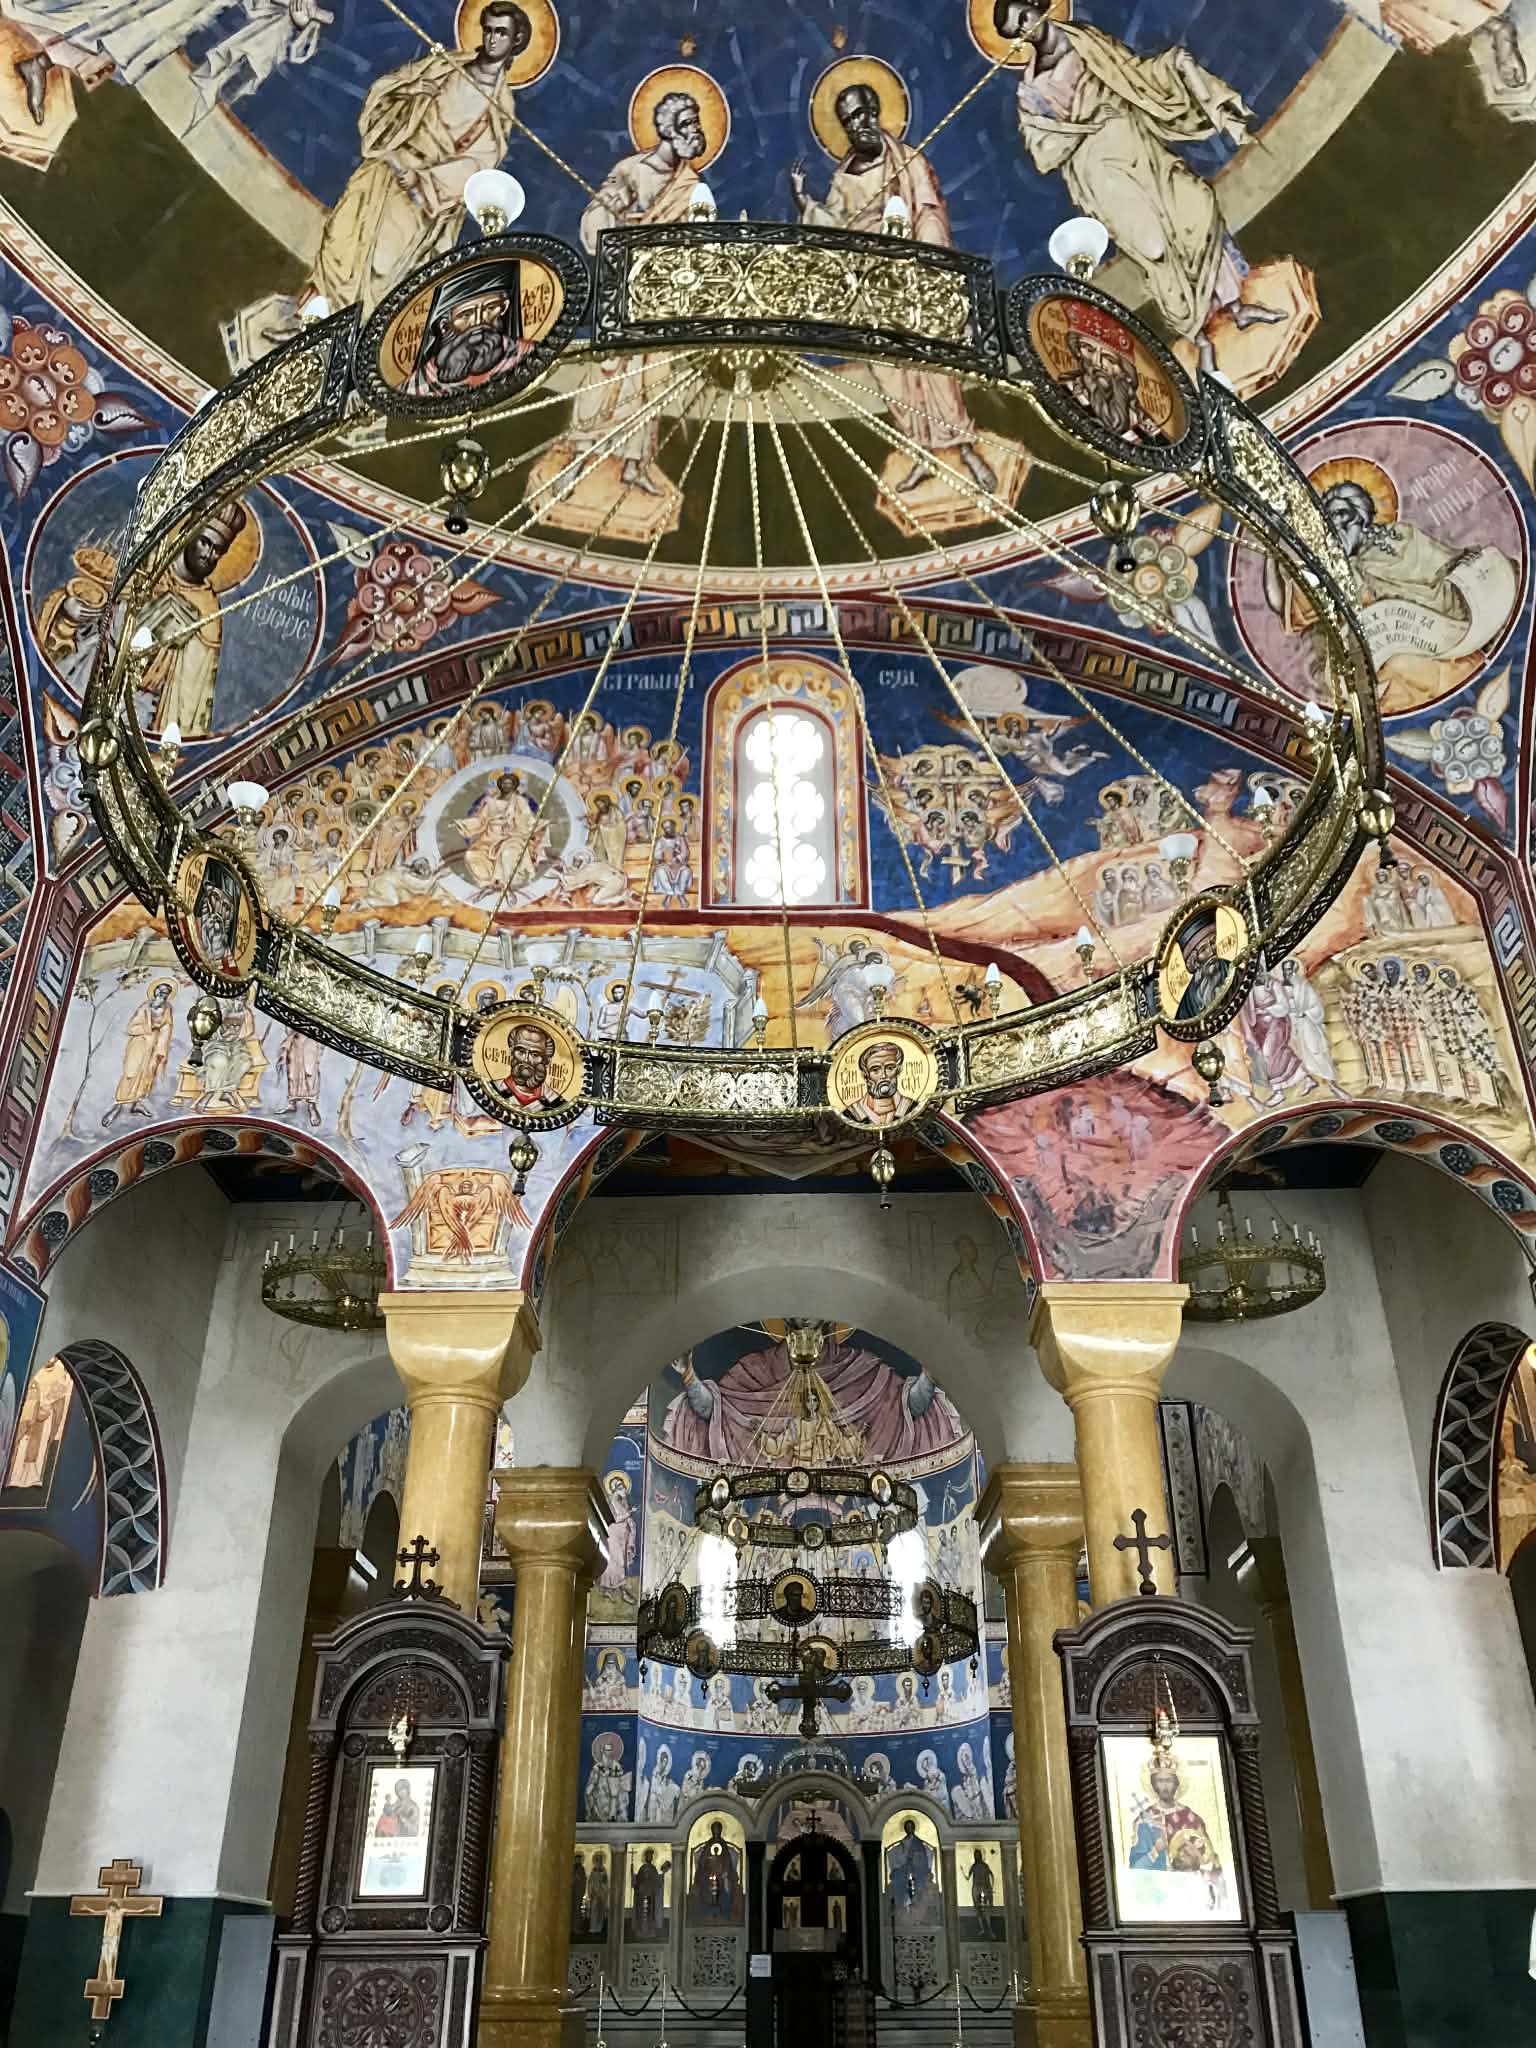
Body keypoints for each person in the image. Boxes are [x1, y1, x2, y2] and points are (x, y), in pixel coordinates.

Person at [992, 0, 1282, 373]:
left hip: (1140, 147)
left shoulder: (1087, 39)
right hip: (1100, 173)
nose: (1026, 29)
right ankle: (1200, 338)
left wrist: (1172, 65)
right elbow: (1042, 150)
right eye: (1016, 30)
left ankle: (1237, 307)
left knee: (1196, 206)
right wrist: (1084, 124)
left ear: (1037, 6)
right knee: (1154, 248)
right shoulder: (1031, 90)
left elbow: (1133, 74)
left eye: (1024, 17)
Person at [790, 81, 996, 494]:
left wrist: (924, 260)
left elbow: (930, 211)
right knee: (891, 376)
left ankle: (965, 446)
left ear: (877, 112)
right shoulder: (843, 178)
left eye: (864, 114)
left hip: (915, 277)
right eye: (849, 120)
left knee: (935, 368)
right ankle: (920, 453)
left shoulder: (908, 162)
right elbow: (836, 229)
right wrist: (804, 203)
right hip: (872, 289)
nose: (859, 124)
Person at [303, 3, 530, 320]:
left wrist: (422, 180)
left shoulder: (499, 110)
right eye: (489, 30)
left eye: (501, 33)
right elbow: (386, 91)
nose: (492, 39)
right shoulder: (444, 65)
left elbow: (477, 166)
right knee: (339, 242)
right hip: (384, 168)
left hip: (417, 198)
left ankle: (352, 333)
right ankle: (310, 325)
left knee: (381, 267)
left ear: (516, 41)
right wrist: (412, 90)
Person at [560, 91, 711, 490]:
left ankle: (634, 464)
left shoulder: (692, 186)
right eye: (687, 123)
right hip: (622, 285)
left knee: (649, 380)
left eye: (697, 122)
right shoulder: (630, 169)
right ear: (667, 129)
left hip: (659, 294)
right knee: (607, 373)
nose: (695, 131)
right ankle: (578, 457)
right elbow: (594, 226)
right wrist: (609, 208)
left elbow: (694, 246)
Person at [135, 502, 250, 738]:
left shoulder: (208, 614)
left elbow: (190, 702)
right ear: (189, 533)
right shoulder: (149, 563)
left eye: (218, 550)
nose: (209, 555)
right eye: (205, 542)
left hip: (145, 707)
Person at [103, 981, 175, 1126]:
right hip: (139, 1045)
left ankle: (137, 1102)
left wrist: (161, 1049)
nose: (163, 994)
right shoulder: (145, 1007)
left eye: (166, 993)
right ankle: (119, 1106)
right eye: (160, 991)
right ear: (155, 991)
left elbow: (167, 1028)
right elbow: (131, 1027)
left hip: (153, 1046)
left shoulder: (167, 1008)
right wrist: (149, 1028)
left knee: (147, 1075)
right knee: (131, 1073)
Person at [841, 1039, 917, 1127]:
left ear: (898, 1070)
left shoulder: (911, 1108)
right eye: (875, 1070)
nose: (883, 1076)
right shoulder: (852, 1113)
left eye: (890, 1068)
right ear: (865, 1075)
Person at [491, 1021, 563, 1111]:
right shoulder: (492, 1088)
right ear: (511, 1053)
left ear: (547, 1061)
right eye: (521, 1051)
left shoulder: (555, 1102)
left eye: (535, 1054)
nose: (526, 1059)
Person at [689, 1820, 741, 1923]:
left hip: (723, 1876)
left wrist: (724, 1873)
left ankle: (724, 1914)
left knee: (727, 1888)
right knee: (704, 1887)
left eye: (718, 1830)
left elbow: (728, 1863)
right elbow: (702, 1862)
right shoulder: (708, 1845)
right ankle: (706, 1915)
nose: (716, 1832)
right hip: (707, 1876)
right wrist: (709, 1866)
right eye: (714, 1830)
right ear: (712, 1830)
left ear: (721, 1830)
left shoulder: (723, 1845)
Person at [631, 1847, 668, 1935]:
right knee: (641, 1912)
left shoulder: (653, 1868)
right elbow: (637, 1881)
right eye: (648, 1856)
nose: (649, 1857)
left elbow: (656, 1880)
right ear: (645, 1857)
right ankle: (641, 1930)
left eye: (651, 1856)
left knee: (650, 1913)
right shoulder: (642, 1868)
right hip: (642, 1894)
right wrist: (633, 1874)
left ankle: (650, 1930)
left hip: (651, 1894)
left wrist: (663, 1873)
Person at [967, 1848, 997, 1937]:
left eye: (977, 1855)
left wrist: (991, 1887)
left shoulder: (984, 1866)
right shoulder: (975, 1866)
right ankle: (983, 1929)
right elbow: (968, 1877)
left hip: (983, 1888)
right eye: (976, 1855)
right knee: (978, 1910)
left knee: (985, 1910)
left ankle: (989, 1929)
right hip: (977, 1889)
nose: (977, 1857)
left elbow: (991, 1875)